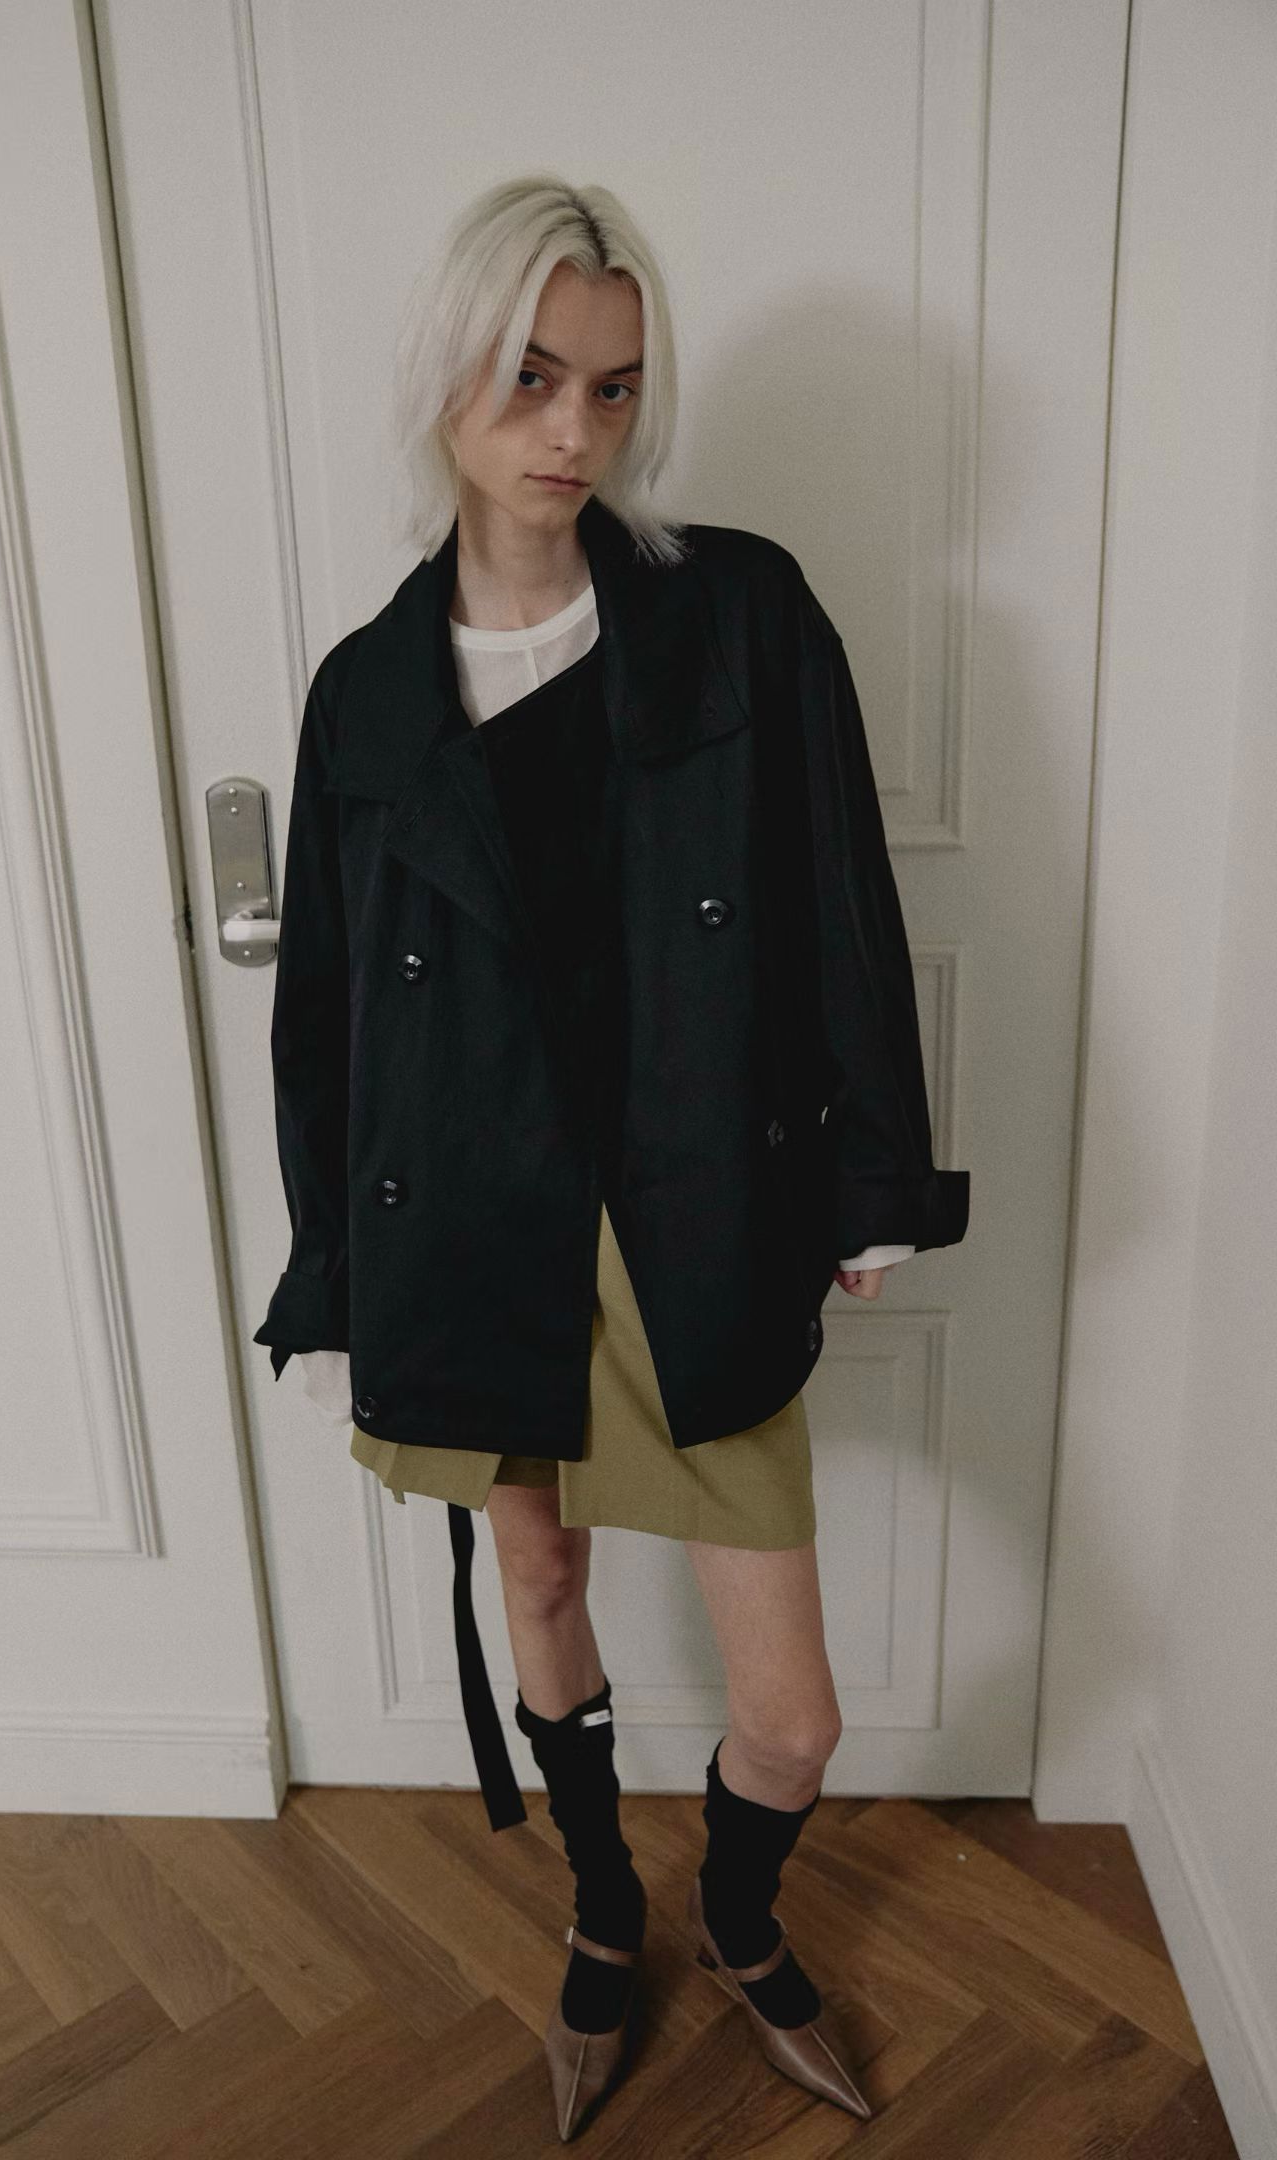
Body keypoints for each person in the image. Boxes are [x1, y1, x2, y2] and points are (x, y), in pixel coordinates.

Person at [254, 174, 969, 2140]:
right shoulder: (368, 696)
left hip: (691, 1207)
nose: (577, 430)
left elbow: (839, 905)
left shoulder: (737, 614)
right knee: (542, 1575)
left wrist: (871, 1182)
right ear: (451, 379)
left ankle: (735, 1915)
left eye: (616, 386)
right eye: (534, 377)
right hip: (471, 1219)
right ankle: (599, 1909)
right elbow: (326, 1016)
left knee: (792, 1714)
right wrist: (331, 1273)